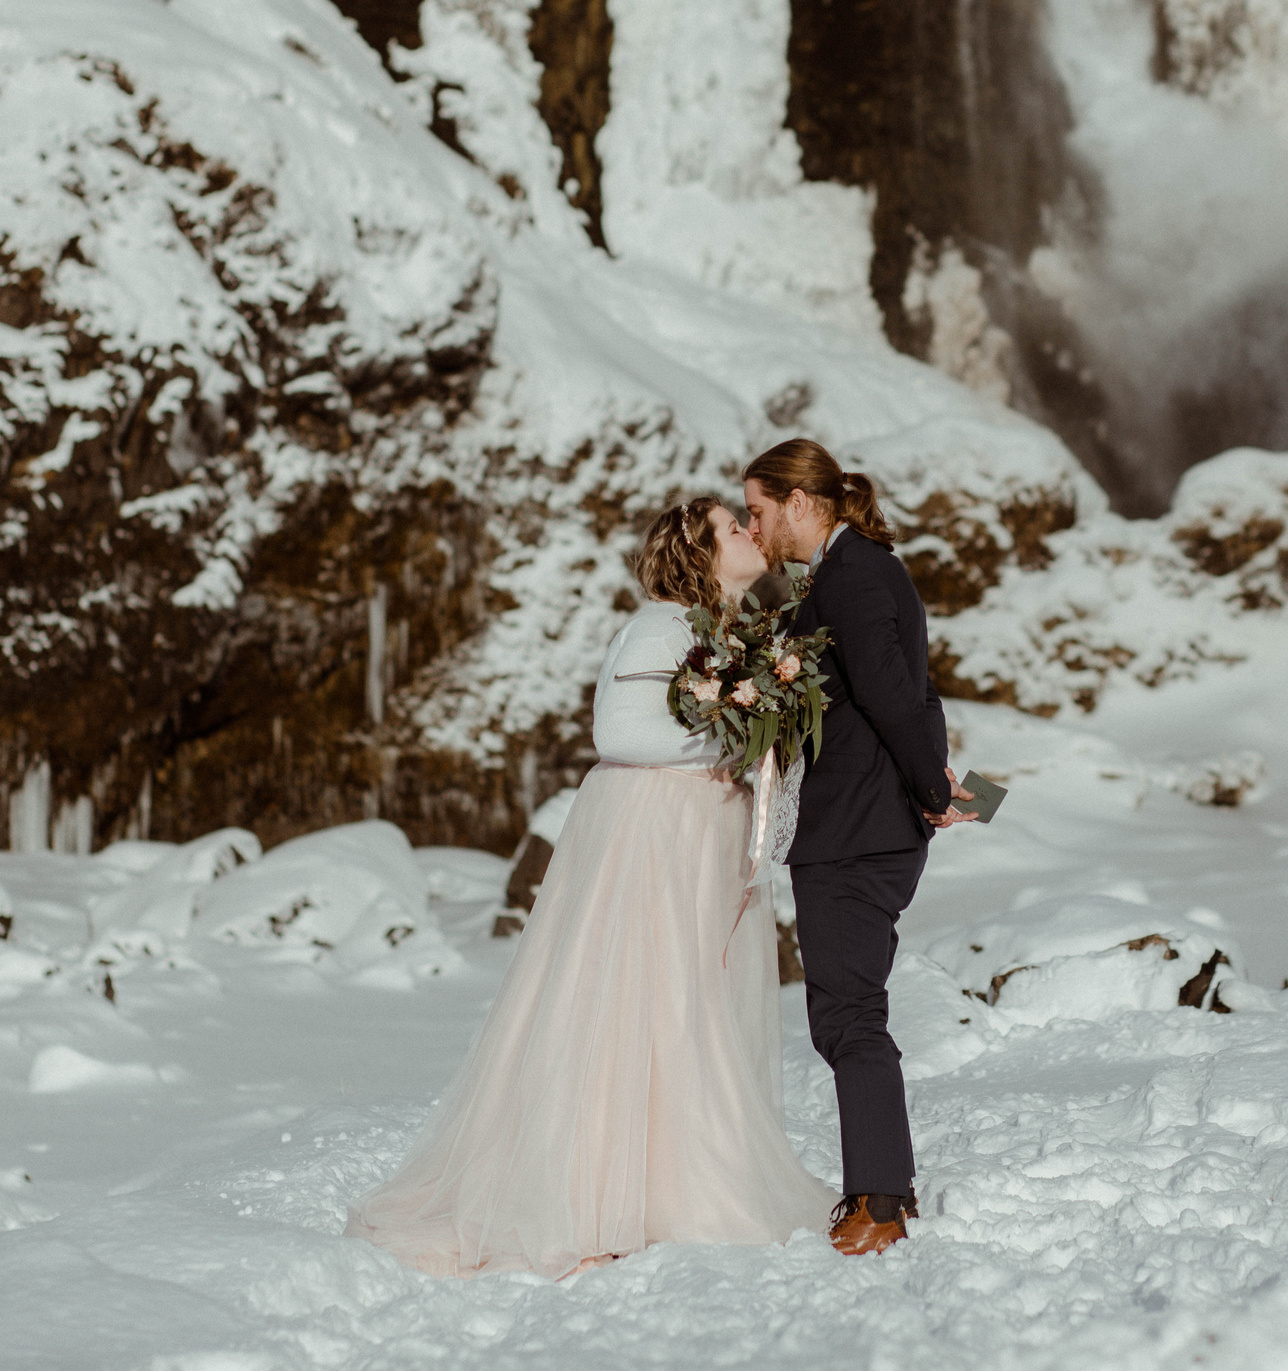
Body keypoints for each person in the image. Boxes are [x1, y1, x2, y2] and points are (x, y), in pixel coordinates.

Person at [346, 498, 836, 1278]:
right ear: (696, 550)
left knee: (690, 1005)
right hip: (651, 837)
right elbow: (618, 733)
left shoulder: (726, 633)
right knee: (636, 1001)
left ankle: (668, 1175)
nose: (750, 530)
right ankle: (595, 1195)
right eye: (731, 525)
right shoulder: (662, 625)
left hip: (696, 836)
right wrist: (736, 733)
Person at [742, 438, 975, 1257]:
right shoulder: (856, 572)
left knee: (848, 1015)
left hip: (854, 833)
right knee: (847, 1012)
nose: (752, 525)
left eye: (759, 509)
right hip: (859, 824)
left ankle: (879, 1199)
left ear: (801, 503)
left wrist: (933, 789)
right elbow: (913, 688)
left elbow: (892, 696)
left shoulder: (854, 576)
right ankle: (879, 1188)